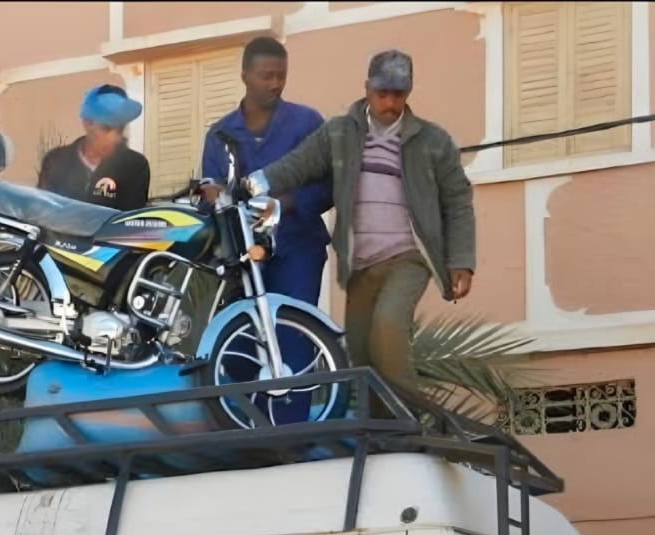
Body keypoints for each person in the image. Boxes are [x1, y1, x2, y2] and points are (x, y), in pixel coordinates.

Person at [245, 49, 476, 407]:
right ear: (367, 88)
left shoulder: (432, 141)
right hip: (360, 265)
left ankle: (408, 420)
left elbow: (457, 199)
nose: (390, 103)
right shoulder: (339, 133)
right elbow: (298, 165)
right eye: (382, 93)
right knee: (362, 354)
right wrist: (252, 184)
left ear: (409, 91)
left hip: (408, 257)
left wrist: (461, 260)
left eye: (398, 94)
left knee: (388, 327)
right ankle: (381, 430)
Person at [201, 36, 332, 309]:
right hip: (242, 257)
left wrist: (286, 203)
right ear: (245, 76)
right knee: (240, 332)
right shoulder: (219, 134)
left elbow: (330, 185)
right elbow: (211, 197)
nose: (275, 84)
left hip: (298, 248)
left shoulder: (307, 122)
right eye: (266, 76)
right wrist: (214, 196)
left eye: (281, 76)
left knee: (293, 327)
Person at [37, 83, 151, 211]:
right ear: (88, 123)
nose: (115, 137)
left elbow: (131, 217)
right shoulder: (55, 161)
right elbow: (43, 211)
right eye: (107, 128)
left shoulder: (134, 165)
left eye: (120, 129)